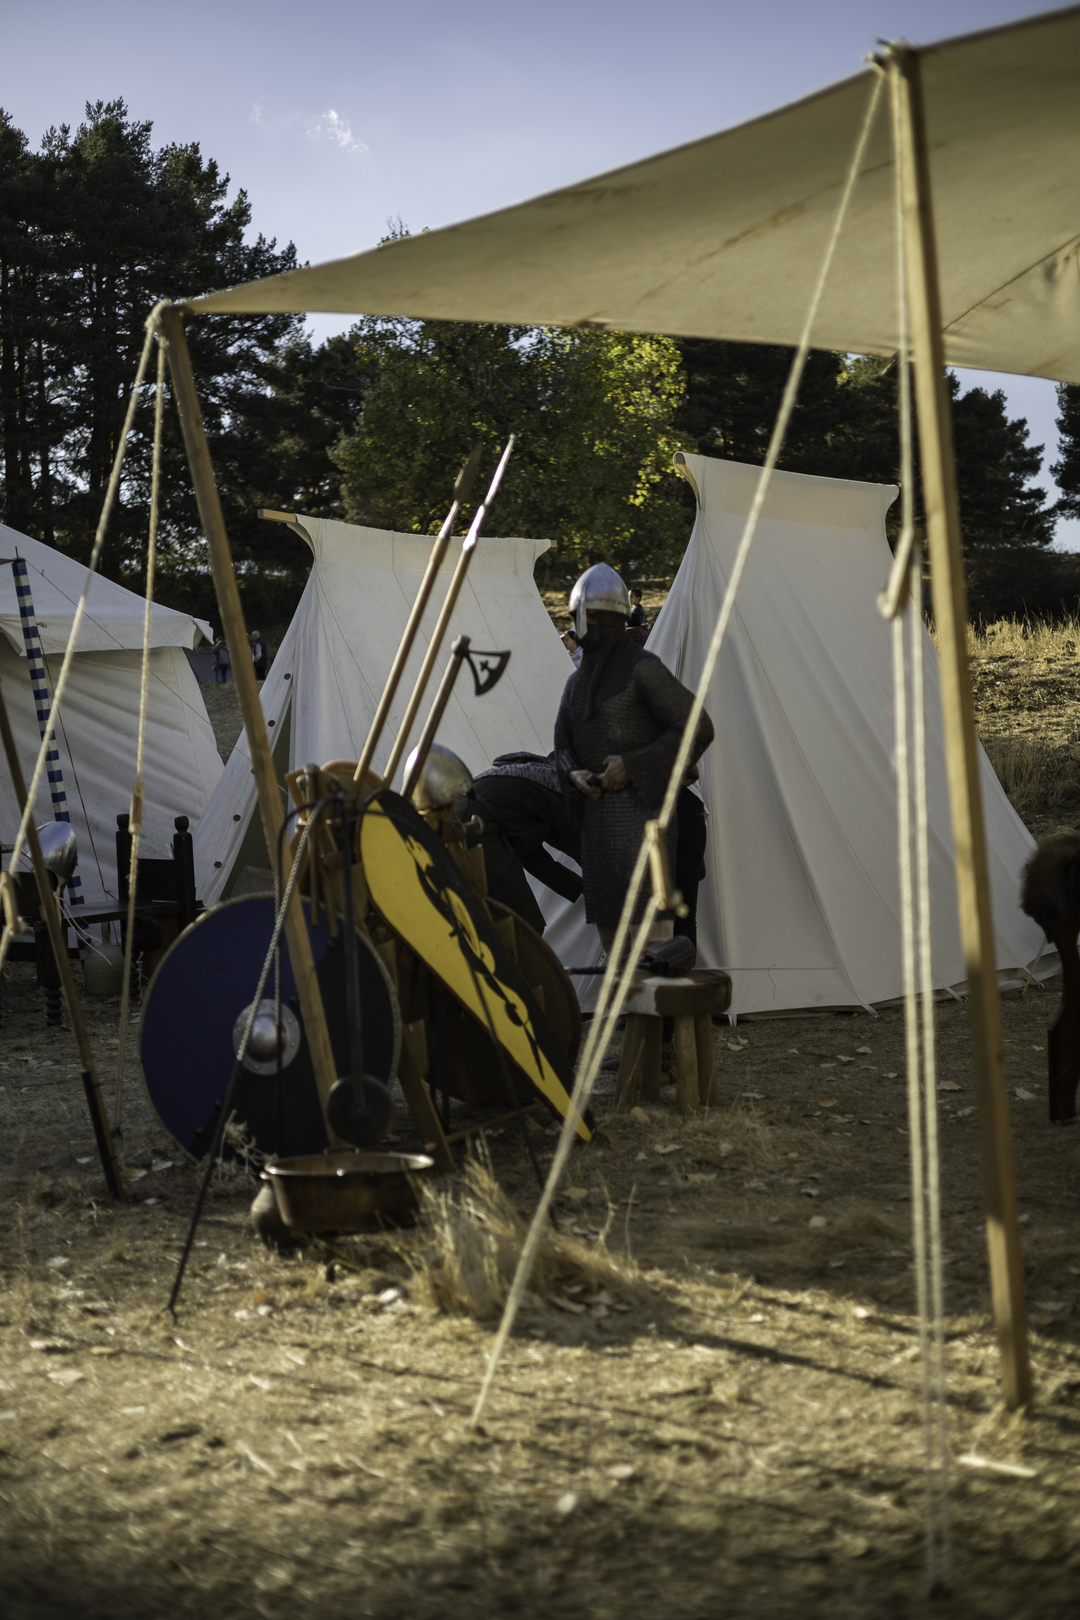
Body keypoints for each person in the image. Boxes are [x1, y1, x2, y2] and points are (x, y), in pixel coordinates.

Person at [554, 563, 713, 957]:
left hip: (647, 827)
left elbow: (696, 726)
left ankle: (659, 1019)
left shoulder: (643, 669)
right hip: (599, 833)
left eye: (593, 616)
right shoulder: (576, 685)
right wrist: (574, 774)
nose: (585, 625)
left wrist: (633, 764)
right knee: (616, 951)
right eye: (581, 617)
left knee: (656, 947)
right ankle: (631, 1018)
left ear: (612, 618)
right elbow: (562, 747)